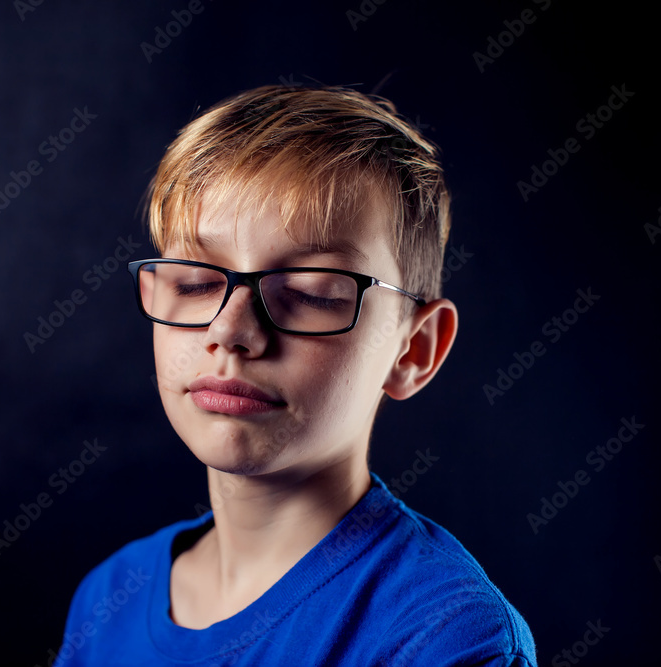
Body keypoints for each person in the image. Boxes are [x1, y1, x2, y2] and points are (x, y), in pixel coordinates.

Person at [53, 84, 537, 666]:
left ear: (413, 349)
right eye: (196, 283)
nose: (230, 330)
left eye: (312, 293)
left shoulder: (444, 636)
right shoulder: (108, 595)